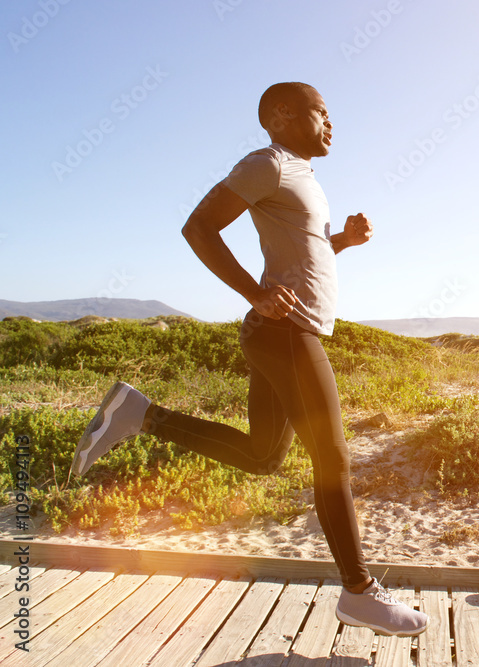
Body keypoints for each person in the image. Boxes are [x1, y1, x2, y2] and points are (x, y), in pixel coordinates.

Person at [70, 81, 428, 637]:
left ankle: (141, 415)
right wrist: (253, 293)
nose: (332, 124)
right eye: (322, 113)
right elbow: (198, 227)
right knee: (331, 459)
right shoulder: (268, 163)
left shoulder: (303, 177)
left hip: (281, 333)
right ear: (282, 115)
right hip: (287, 333)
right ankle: (359, 593)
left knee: (264, 456)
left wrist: (343, 244)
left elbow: (301, 254)